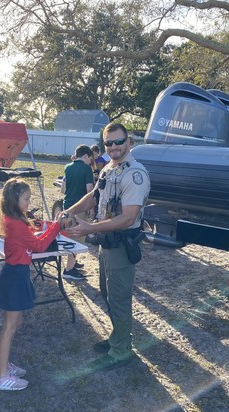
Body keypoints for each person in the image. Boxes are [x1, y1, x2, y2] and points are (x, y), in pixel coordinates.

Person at [62, 123, 150, 371]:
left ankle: (121, 350)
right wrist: (70, 210)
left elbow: (128, 218)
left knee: (119, 298)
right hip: (106, 244)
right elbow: (93, 197)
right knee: (108, 293)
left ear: (129, 142)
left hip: (122, 244)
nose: (113, 147)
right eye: (108, 143)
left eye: (118, 142)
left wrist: (89, 228)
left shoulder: (135, 174)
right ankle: (118, 338)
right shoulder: (109, 170)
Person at [0, 178, 62, 391]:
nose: (29, 203)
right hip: (14, 275)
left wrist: (47, 226)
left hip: (18, 273)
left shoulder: (16, 219)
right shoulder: (14, 222)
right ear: (14, 200)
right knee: (9, 327)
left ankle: (3, 366)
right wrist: (57, 225)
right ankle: (1, 376)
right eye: (26, 199)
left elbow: (31, 238)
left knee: (15, 323)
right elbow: (40, 245)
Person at [60, 144, 94, 280]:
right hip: (80, 208)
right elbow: (90, 191)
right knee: (77, 238)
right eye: (90, 159)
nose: (90, 162)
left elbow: (63, 189)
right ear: (85, 156)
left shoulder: (67, 167)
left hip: (67, 206)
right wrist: (91, 207)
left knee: (70, 236)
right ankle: (69, 270)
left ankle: (72, 264)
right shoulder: (87, 169)